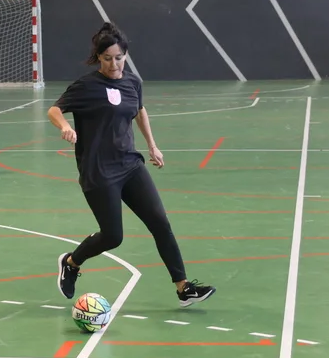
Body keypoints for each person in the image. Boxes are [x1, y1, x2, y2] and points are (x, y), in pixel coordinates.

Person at [46, 22, 215, 308]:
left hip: (130, 165)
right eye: (107, 58)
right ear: (98, 57)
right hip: (99, 171)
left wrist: (152, 145)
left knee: (160, 223)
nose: (114, 64)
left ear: (125, 55)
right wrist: (64, 126)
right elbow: (54, 110)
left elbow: (139, 110)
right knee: (113, 236)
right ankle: (71, 262)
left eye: (119, 57)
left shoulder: (133, 82)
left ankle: (183, 287)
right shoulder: (86, 86)